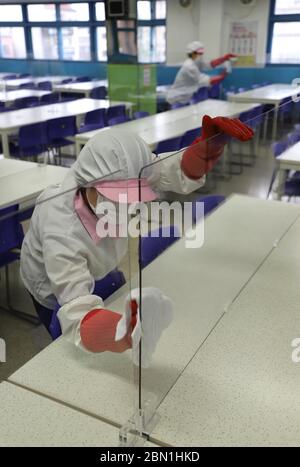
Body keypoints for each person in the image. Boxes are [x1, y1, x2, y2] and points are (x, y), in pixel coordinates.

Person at [20, 116, 253, 360]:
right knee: (59, 341)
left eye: (132, 197)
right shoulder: (61, 230)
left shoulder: (126, 172)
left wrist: (207, 148)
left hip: (100, 266)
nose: (126, 207)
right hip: (48, 283)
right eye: (115, 198)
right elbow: (76, 312)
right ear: (88, 184)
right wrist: (124, 332)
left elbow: (166, 169)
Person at [167, 41, 236, 106]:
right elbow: (207, 81)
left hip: (185, 99)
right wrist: (224, 75)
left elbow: (210, 64)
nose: (201, 55)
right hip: (177, 99)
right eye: (199, 53)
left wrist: (224, 58)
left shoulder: (195, 62)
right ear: (193, 53)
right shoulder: (189, 66)